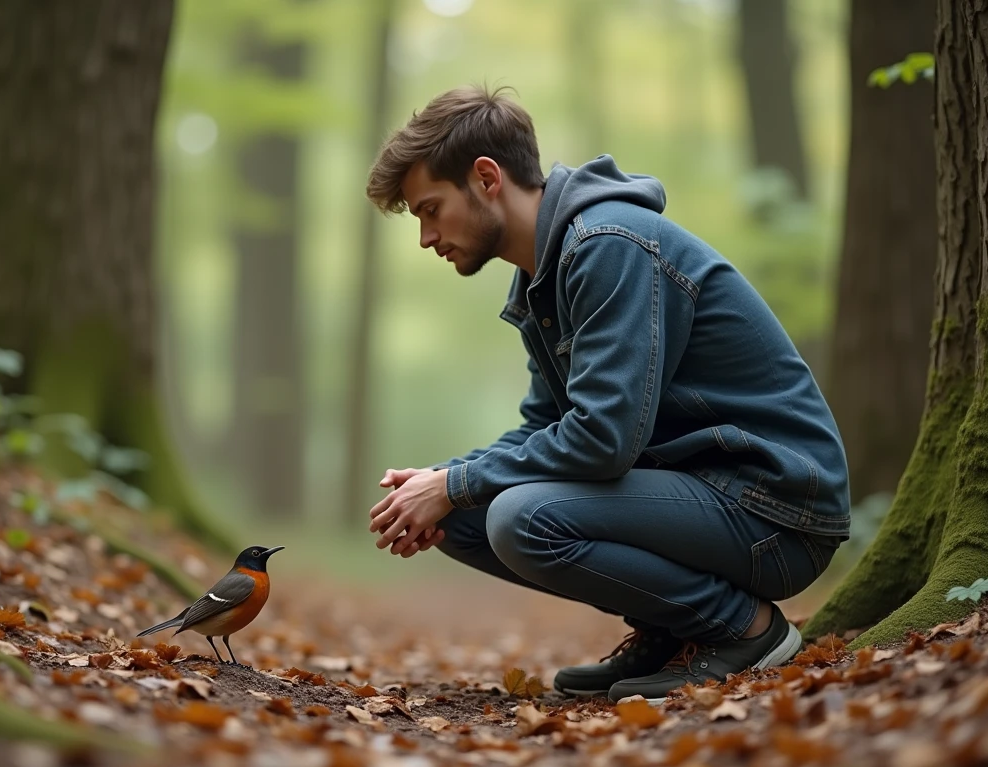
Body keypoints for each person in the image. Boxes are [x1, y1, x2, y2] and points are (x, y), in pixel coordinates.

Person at [362, 84, 850, 705]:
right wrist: (442, 482)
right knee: (463, 514)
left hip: (775, 511)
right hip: (706, 498)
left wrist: (457, 482)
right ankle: (673, 631)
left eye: (430, 209)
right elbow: (544, 427)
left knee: (520, 517)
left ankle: (743, 631)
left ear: (486, 177)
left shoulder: (609, 246)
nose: (427, 236)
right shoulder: (543, 280)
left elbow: (603, 439)